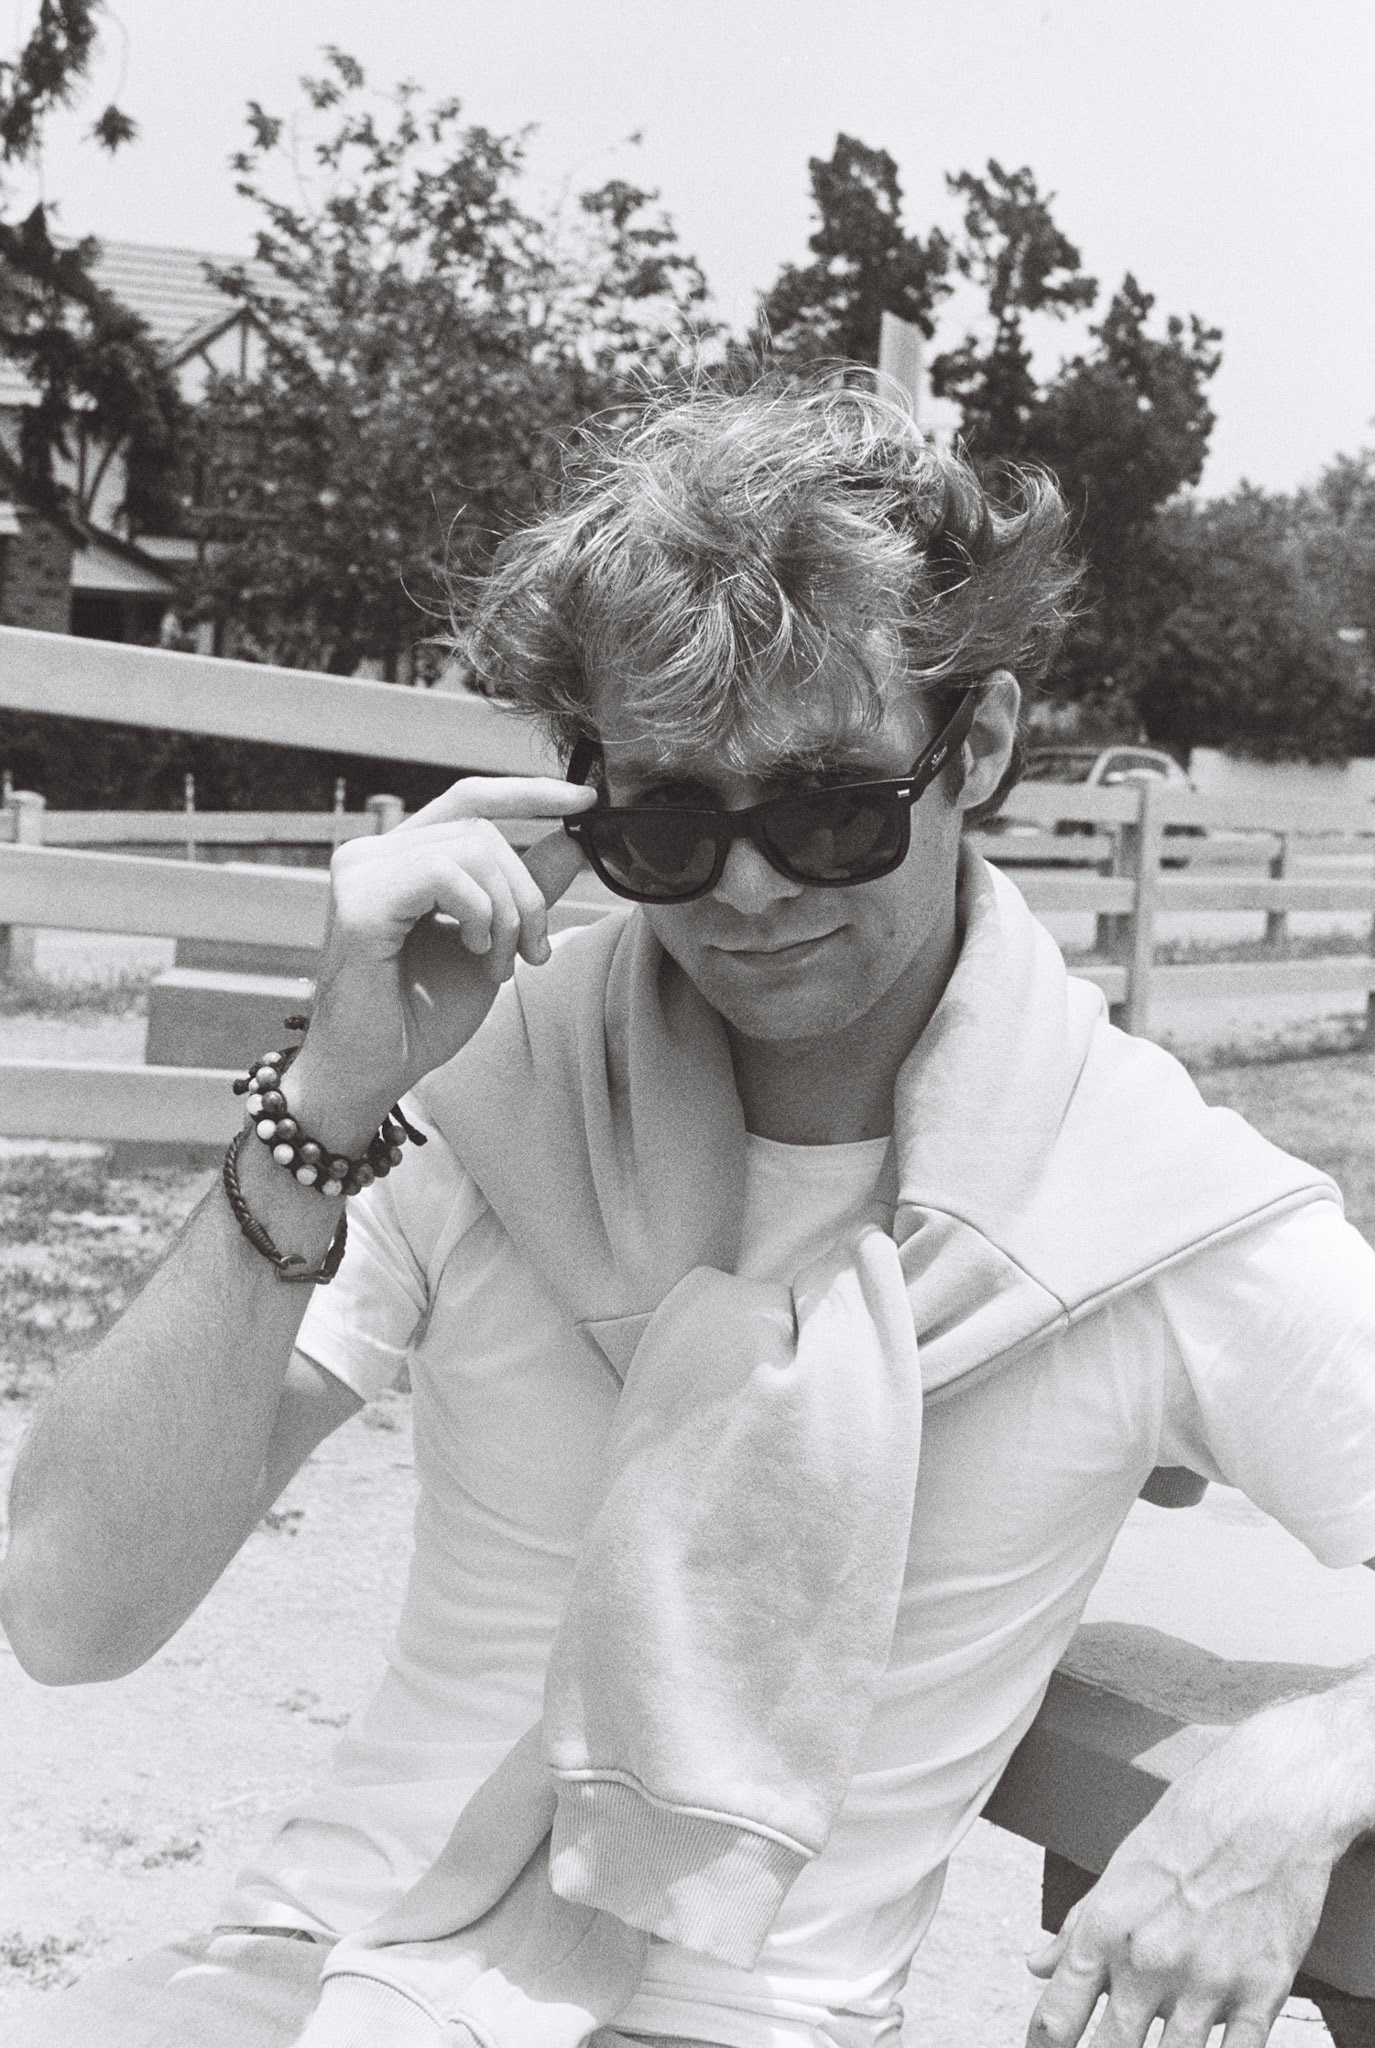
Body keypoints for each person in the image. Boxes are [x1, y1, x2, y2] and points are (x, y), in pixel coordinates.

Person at [4, 380, 1375, 2048]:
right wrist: (328, 1099)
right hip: (319, 1969)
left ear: (979, 747)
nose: (749, 887)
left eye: (831, 806)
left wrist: (1308, 1765)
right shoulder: (487, 1086)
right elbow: (69, 1606)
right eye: (667, 821)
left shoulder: (1146, 1209)